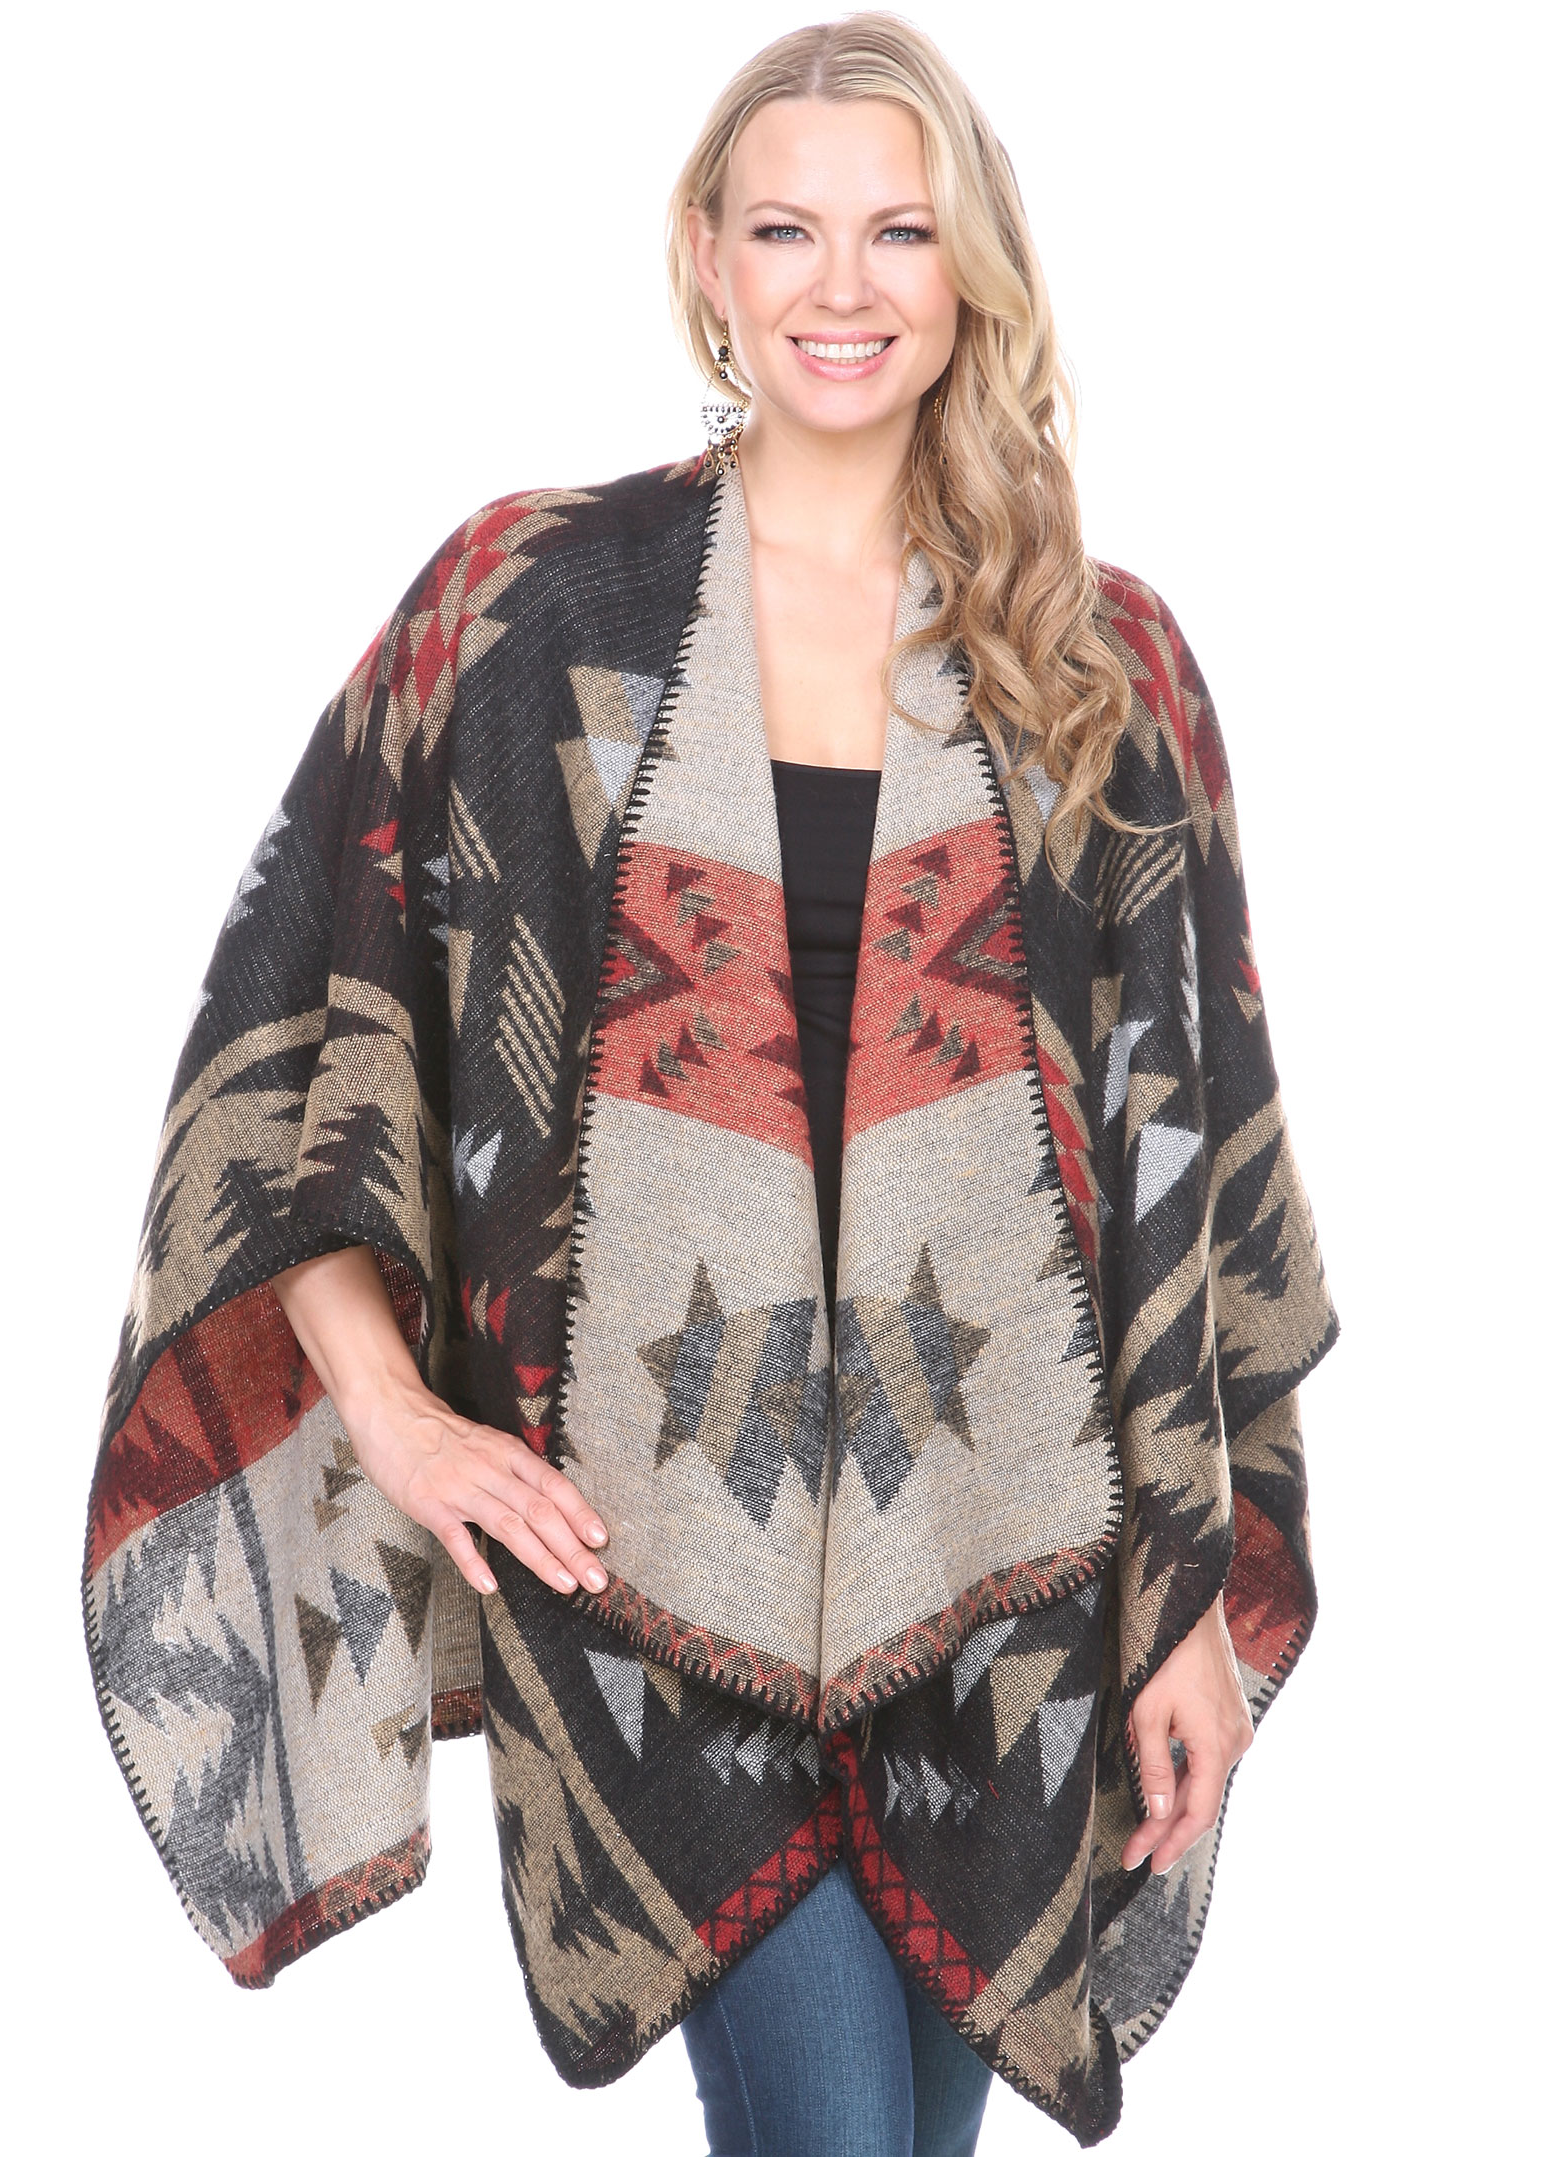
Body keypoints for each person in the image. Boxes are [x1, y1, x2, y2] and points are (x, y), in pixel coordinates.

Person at [83, 18, 1336, 2155]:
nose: (840, 288)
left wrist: (1189, 1602)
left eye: (898, 233)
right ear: (706, 255)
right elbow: (301, 1047)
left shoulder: (1099, 659)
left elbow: (1194, 1178)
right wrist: (398, 1416)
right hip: (645, 1571)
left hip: (1015, 1587)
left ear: (972, 272)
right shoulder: (529, 609)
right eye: (785, 230)